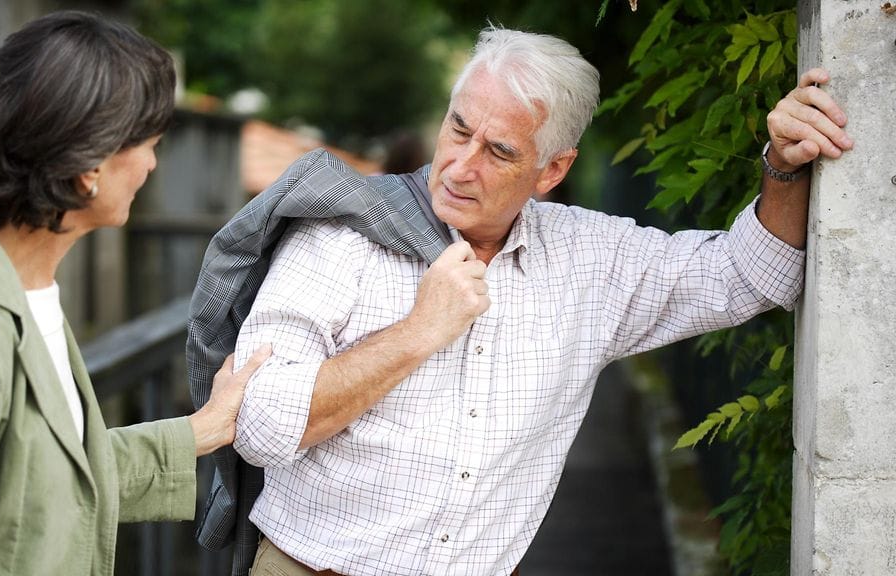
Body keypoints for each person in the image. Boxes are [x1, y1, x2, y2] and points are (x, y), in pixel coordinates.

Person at [191, 27, 852, 576]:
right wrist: (420, 331)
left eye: (498, 151)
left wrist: (783, 166)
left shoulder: (591, 259)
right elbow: (260, 427)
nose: (459, 165)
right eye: (458, 130)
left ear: (552, 170)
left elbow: (749, 276)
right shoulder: (339, 237)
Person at [0, 11, 269, 575]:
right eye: (149, 144)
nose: (153, 164)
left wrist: (203, 429)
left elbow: (52, 480)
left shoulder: (13, 280)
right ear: (89, 167)